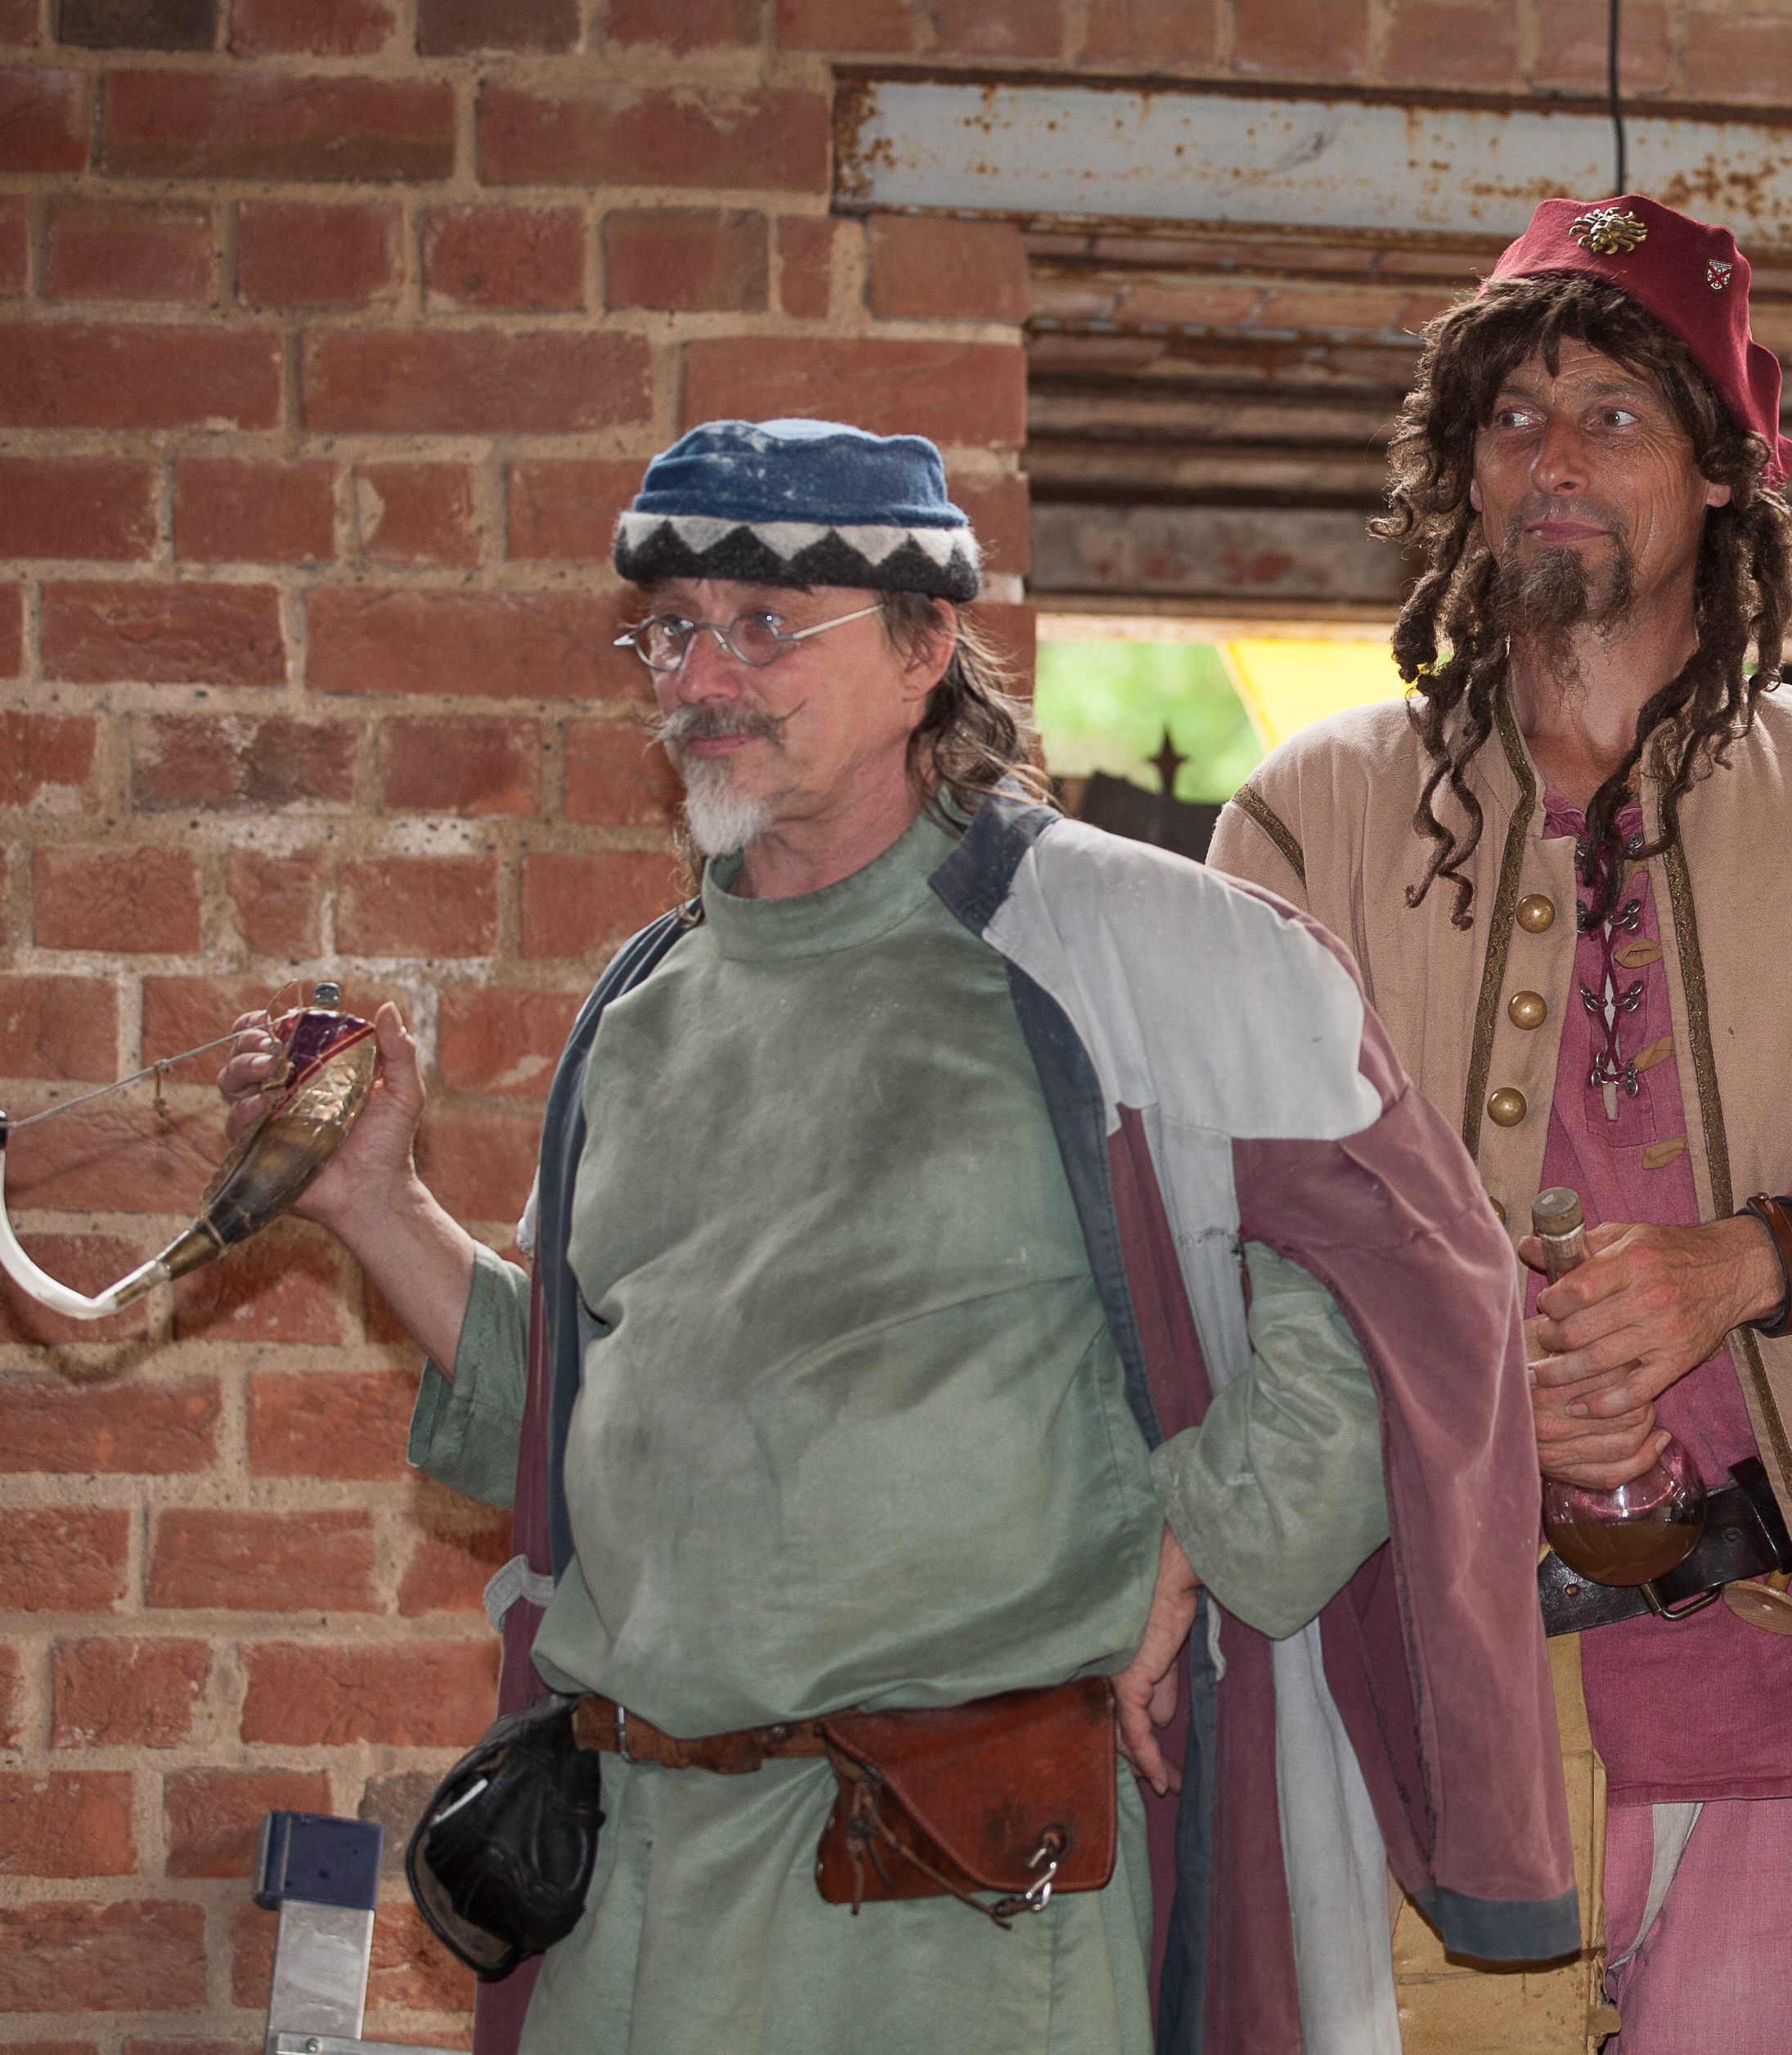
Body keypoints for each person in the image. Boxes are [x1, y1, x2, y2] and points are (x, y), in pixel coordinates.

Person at [218, 417, 1571, 2055]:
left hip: (960, 1903)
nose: (701, 674)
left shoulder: (1128, 950)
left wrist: (1195, 1554)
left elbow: (1410, 1293)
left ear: (927, 650)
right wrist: (376, 1201)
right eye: (671, 628)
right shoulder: (640, 1015)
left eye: (766, 624)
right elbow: (564, 1427)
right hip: (640, 1901)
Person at [1206, 195, 1792, 2052]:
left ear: (1720, 472)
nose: (1555, 458)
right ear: (1461, 474)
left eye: (1613, 414)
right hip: (1413, 1710)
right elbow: (1230, 1223)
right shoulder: (1311, 820)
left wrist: (1747, 1262)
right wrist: (1478, 1373)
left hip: (1781, 1706)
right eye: (1514, 417)